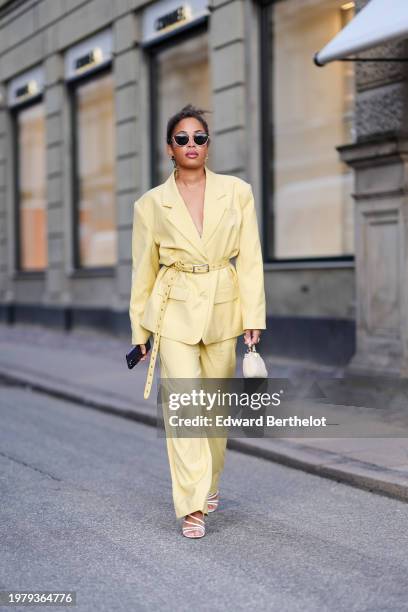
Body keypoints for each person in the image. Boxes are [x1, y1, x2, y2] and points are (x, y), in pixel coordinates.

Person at [129, 103, 266, 538]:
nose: (191, 144)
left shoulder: (237, 192)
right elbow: (142, 272)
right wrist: (141, 332)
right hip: (174, 312)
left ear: (209, 145)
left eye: (199, 138)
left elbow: (251, 259)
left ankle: (208, 484)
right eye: (182, 138)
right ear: (169, 148)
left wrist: (253, 315)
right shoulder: (150, 204)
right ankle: (192, 504)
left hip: (225, 307)